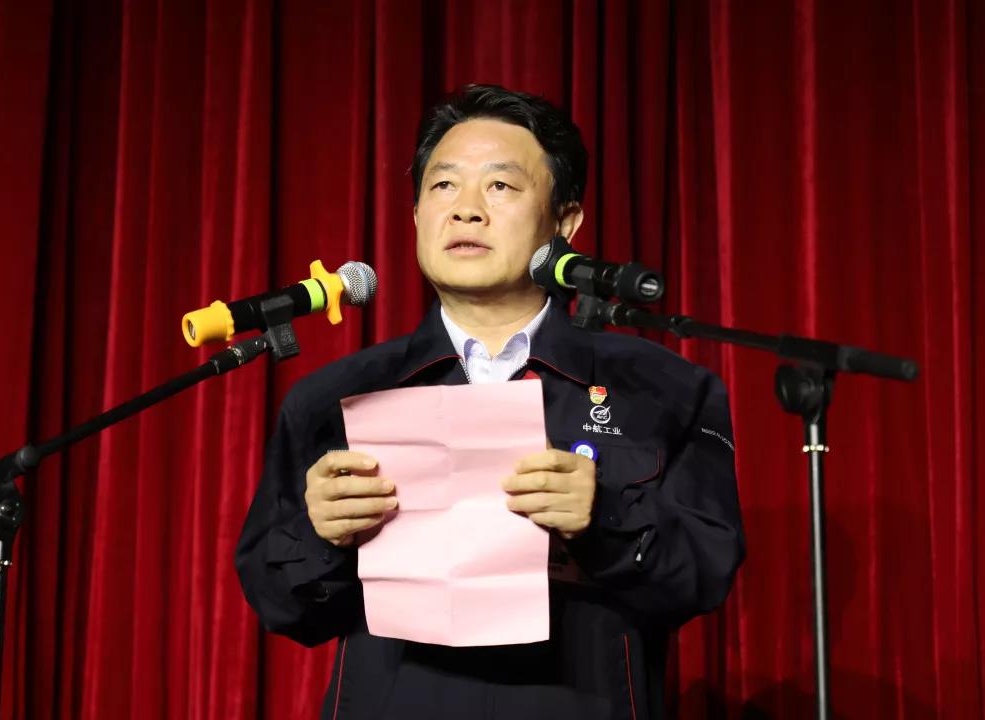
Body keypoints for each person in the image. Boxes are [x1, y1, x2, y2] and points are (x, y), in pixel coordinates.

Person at [235, 84, 745, 720]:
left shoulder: (663, 387)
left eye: (500, 186)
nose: (466, 210)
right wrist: (321, 535)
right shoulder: (333, 398)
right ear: (416, 215)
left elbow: (706, 576)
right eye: (443, 186)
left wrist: (605, 515)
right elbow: (279, 604)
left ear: (565, 222)